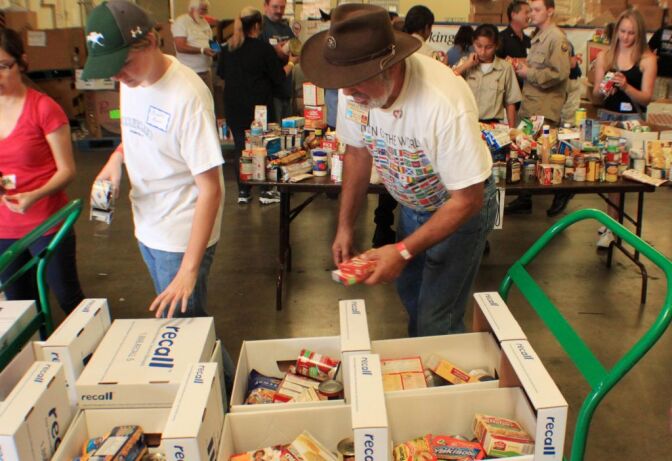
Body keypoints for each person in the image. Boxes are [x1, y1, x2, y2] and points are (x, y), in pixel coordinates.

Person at [301, 4, 497, 336]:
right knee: (412, 299)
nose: (346, 93)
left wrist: (403, 250)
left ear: (389, 69)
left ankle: (444, 382)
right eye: (343, 83)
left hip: (457, 210)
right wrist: (345, 226)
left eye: (355, 83)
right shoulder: (356, 89)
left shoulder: (443, 102)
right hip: (413, 204)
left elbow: (467, 200)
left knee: (437, 319)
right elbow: (357, 155)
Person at [81, 0, 235, 386]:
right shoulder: (132, 79)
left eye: (125, 66)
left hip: (181, 235)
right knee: (187, 323)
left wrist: (188, 269)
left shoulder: (188, 96)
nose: (121, 78)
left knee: (183, 328)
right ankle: (232, 389)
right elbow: (136, 132)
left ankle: (227, 396)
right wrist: (115, 161)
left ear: (150, 40)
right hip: (147, 223)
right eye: (112, 71)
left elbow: (212, 189)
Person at [0, 28, 85, 314]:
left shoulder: (44, 109)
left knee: (68, 298)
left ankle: (94, 355)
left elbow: (67, 170)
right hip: (4, 227)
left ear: (22, 62)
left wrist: (34, 195)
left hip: (47, 223)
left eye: (3, 66)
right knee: (22, 307)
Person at [217, 7, 297, 205]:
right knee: (262, 146)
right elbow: (278, 77)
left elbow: (222, 75)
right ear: (257, 26)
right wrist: (292, 62)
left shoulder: (227, 48)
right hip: (258, 108)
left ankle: (243, 191)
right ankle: (266, 190)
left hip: (234, 105)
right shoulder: (263, 49)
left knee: (240, 148)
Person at [592, 8, 656, 248]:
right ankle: (611, 220)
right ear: (616, 30)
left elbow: (646, 98)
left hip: (633, 122)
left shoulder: (647, 60)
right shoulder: (605, 57)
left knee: (622, 176)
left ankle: (612, 223)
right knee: (608, 174)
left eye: (632, 33)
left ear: (639, 34)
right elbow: (596, 95)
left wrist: (626, 86)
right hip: (607, 119)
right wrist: (603, 88)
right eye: (623, 32)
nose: (626, 37)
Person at [506, 0, 571, 217]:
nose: (531, 14)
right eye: (530, 10)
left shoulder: (556, 38)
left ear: (550, 11)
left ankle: (561, 192)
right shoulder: (537, 36)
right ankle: (525, 197)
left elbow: (559, 73)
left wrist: (528, 73)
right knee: (525, 150)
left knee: (545, 153)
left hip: (545, 106)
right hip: (531, 104)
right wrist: (524, 66)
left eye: (536, 10)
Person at [454, 24, 522, 127]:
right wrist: (466, 65)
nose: (483, 52)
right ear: (473, 43)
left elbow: (510, 102)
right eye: (478, 46)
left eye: (488, 47)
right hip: (468, 123)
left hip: (492, 125)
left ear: (496, 46)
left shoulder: (505, 68)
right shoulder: (465, 63)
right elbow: (449, 80)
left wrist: (512, 130)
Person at [261, 0, 295, 122]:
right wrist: (274, 51)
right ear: (265, 6)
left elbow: (297, 51)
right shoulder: (260, 28)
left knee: (288, 132)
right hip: (270, 91)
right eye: (275, 7)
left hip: (286, 89)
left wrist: (287, 53)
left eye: (282, 7)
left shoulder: (286, 28)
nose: (279, 11)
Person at [171, 0, 216, 93]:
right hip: (190, 72)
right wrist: (202, 50)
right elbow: (180, 47)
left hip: (206, 71)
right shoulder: (181, 22)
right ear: (192, 9)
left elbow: (211, 41)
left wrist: (217, 49)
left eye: (206, 10)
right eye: (202, 10)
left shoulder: (204, 22)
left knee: (208, 100)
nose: (205, 13)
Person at [497, 0, 531, 93]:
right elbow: (495, 63)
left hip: (528, 93)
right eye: (526, 12)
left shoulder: (529, 40)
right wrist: (515, 62)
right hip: (507, 92)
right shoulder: (500, 38)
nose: (530, 16)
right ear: (513, 15)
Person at [649, 10, 672, 100]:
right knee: (657, 106)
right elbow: (648, 49)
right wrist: (652, 59)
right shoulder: (662, 31)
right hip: (660, 76)